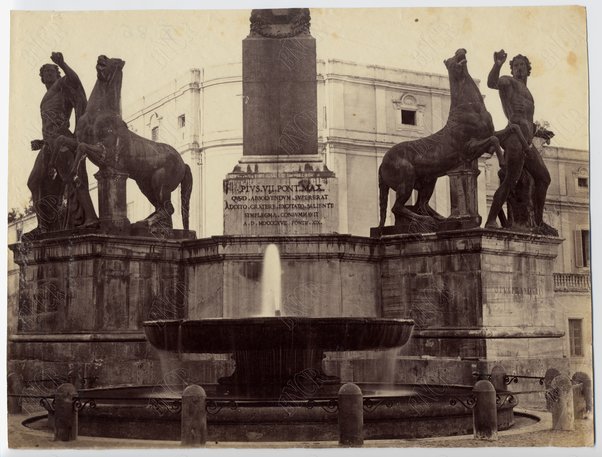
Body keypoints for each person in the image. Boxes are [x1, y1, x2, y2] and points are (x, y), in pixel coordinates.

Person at [484, 50, 556, 235]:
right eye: (515, 66)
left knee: (544, 178)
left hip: (527, 141)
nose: (518, 69)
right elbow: (492, 83)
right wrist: (498, 64)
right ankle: (491, 219)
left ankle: (538, 222)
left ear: (528, 69)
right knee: (509, 181)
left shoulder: (529, 94)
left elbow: (528, 120)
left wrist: (539, 131)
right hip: (515, 139)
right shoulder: (508, 82)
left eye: (522, 65)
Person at [27, 52, 97, 235]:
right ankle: (44, 225)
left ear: (58, 74)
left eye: (52, 71)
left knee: (73, 177)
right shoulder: (46, 97)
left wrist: (63, 63)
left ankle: (91, 217)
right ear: (41, 77)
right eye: (45, 72)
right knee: (33, 182)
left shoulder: (62, 85)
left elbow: (76, 80)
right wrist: (41, 141)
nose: (48, 73)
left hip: (62, 140)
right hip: (48, 145)